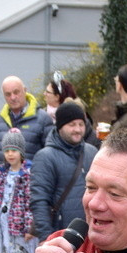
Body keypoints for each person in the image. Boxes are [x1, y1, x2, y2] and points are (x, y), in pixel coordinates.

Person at [29, 101, 97, 240]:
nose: (77, 129)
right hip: (61, 235)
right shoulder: (45, 157)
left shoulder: (92, 152)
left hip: (92, 234)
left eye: (81, 124)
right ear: (60, 127)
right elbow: (39, 200)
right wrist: (46, 238)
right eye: (72, 125)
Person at [0, 76, 54, 169]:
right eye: (8, 94)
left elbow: (51, 153)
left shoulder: (43, 119)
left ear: (25, 90)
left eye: (16, 92)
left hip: (32, 180)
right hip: (0, 180)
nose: (13, 97)